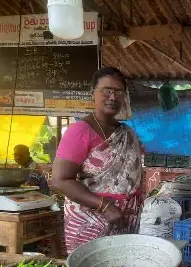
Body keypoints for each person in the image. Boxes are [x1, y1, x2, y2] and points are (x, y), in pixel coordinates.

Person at [52, 67, 143, 254]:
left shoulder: (127, 133)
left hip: (125, 219)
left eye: (119, 91)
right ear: (93, 92)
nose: (113, 96)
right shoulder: (79, 131)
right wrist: (104, 206)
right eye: (106, 90)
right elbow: (61, 179)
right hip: (90, 220)